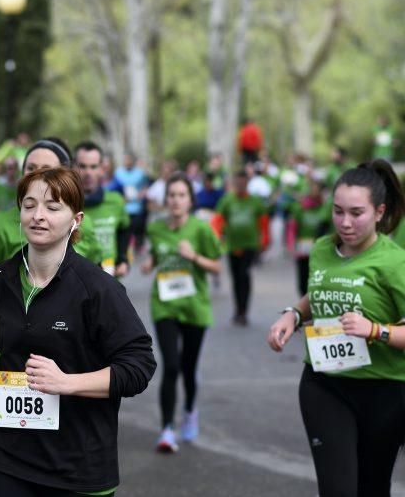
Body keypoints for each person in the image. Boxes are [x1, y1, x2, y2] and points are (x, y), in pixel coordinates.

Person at [0, 167, 156, 496]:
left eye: (52, 206)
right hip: (4, 453)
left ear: (75, 219)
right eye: (29, 205)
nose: (38, 215)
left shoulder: (99, 289)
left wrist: (66, 383)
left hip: (77, 464)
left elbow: (139, 366)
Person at [268, 160, 405, 497]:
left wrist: (375, 330)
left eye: (356, 213)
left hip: (384, 391)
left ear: (379, 212)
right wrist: (292, 315)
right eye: (338, 211)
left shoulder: (394, 261)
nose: (345, 222)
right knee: (338, 491)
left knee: (373, 488)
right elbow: (317, 295)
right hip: (325, 384)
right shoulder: (321, 249)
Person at [141, 173, 222, 453]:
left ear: (190, 200)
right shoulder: (156, 228)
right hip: (164, 305)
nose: (175, 200)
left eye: (181, 195)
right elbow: (155, 252)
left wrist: (194, 257)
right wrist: (149, 262)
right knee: (171, 366)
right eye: (172, 195)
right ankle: (166, 429)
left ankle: (189, 411)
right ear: (166, 200)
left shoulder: (201, 229)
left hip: (195, 306)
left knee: (188, 368)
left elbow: (217, 266)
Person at [0, 138, 102, 302]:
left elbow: (99, 278)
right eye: (30, 168)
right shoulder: (0, 224)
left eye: (47, 169)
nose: (37, 175)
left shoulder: (84, 224)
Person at [213, 170, 269, 326]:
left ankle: (244, 311)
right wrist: (217, 238)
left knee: (244, 275)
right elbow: (217, 220)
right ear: (234, 182)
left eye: (243, 182)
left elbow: (263, 222)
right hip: (232, 246)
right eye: (238, 182)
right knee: (236, 278)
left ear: (247, 183)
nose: (240, 185)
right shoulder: (227, 201)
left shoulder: (255, 201)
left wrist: (264, 241)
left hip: (249, 245)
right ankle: (238, 310)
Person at [74, 141, 131, 277]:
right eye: (82, 166)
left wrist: (123, 259)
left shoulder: (115, 200)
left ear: (102, 169)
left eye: (93, 167)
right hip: (77, 280)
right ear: (73, 168)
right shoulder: (66, 204)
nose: (88, 172)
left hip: (110, 280)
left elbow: (124, 229)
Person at [286, 178, 330, 297]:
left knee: (317, 279)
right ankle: (304, 304)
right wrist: (291, 244)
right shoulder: (299, 207)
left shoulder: (326, 208)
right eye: (312, 188)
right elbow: (292, 227)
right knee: (303, 279)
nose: (314, 191)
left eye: (317, 189)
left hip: (320, 250)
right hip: (303, 248)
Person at [109, 152, 149, 253]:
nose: (127, 162)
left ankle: (138, 245)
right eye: (125, 159)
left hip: (136, 207)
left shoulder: (140, 173)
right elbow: (114, 188)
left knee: (137, 227)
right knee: (125, 229)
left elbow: (145, 186)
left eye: (129, 160)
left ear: (133, 161)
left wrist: (142, 193)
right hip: (124, 207)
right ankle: (126, 248)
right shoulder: (118, 172)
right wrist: (120, 197)